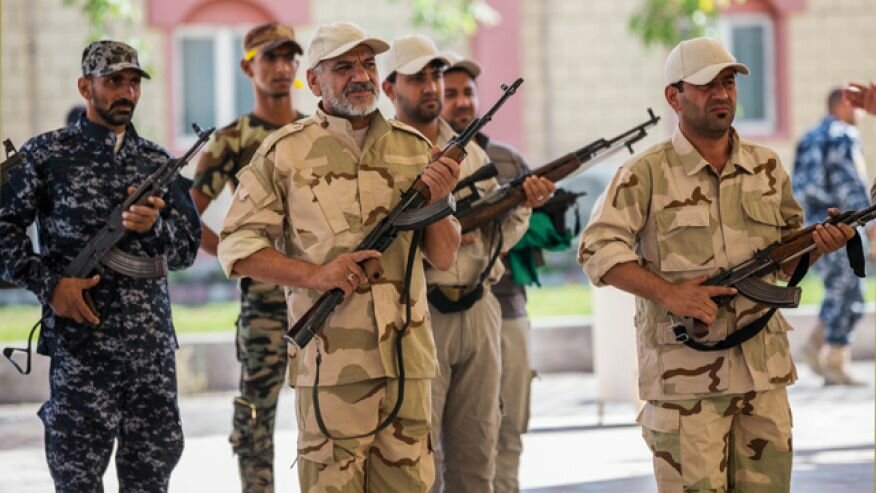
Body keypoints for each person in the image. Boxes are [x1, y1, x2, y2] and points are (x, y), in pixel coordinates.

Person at [578, 37, 854, 492]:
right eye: (707, 85)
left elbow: (786, 259)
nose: (722, 93)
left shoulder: (766, 167)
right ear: (674, 96)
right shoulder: (644, 173)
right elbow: (596, 251)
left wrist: (821, 245)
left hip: (762, 377)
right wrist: (670, 293)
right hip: (685, 385)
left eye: (728, 82)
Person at [217, 22, 461, 493]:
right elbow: (238, 246)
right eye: (344, 66)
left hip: (407, 365)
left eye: (369, 64)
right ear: (313, 81)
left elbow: (445, 256)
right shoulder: (284, 152)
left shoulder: (415, 149)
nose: (361, 76)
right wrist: (315, 275)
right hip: (331, 369)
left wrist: (439, 202)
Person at [0, 40, 200, 492]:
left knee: (151, 477)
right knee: (76, 477)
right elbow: (2, 230)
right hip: (82, 351)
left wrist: (154, 229)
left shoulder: (157, 163)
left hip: (150, 354)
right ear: (85, 86)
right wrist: (49, 286)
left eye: (133, 82)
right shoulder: (45, 155)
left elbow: (188, 249)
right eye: (113, 81)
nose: (125, 92)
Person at [381, 35, 535, 493]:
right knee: (419, 458)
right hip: (418, 314)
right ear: (390, 89)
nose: (431, 87)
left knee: (478, 452)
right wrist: (437, 239)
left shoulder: (471, 151)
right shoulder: (381, 153)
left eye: (436, 76)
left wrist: (475, 243)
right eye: (417, 78)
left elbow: (509, 216)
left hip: (480, 308)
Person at [189, 22, 305, 492]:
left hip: (324, 293)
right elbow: (188, 214)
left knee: (334, 408)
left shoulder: (316, 131)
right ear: (248, 67)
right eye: (270, 58)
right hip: (264, 303)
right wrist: (239, 256)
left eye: (289, 57)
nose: (281, 68)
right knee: (256, 415)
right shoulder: (233, 139)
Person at [440, 52, 555, 493]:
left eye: (467, 92)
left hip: (507, 308)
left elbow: (542, 232)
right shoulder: (424, 159)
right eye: (450, 94)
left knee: (507, 433)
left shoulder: (508, 160)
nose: (462, 102)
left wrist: (530, 204)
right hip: (444, 311)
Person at [792, 87, 874, 385]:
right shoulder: (842, 135)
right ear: (843, 103)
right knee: (850, 291)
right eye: (858, 106)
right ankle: (836, 362)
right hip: (843, 225)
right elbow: (850, 184)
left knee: (837, 290)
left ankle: (816, 349)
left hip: (812, 227)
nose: (861, 113)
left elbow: (797, 187)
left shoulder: (809, 137)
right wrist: (869, 221)